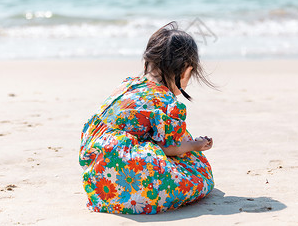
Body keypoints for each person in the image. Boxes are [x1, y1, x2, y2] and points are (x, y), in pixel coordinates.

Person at [79, 21, 215, 214]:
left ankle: (109, 193)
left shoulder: (128, 85)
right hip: (128, 172)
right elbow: (170, 147)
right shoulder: (166, 102)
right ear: (185, 70)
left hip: (97, 171)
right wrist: (195, 145)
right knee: (200, 174)